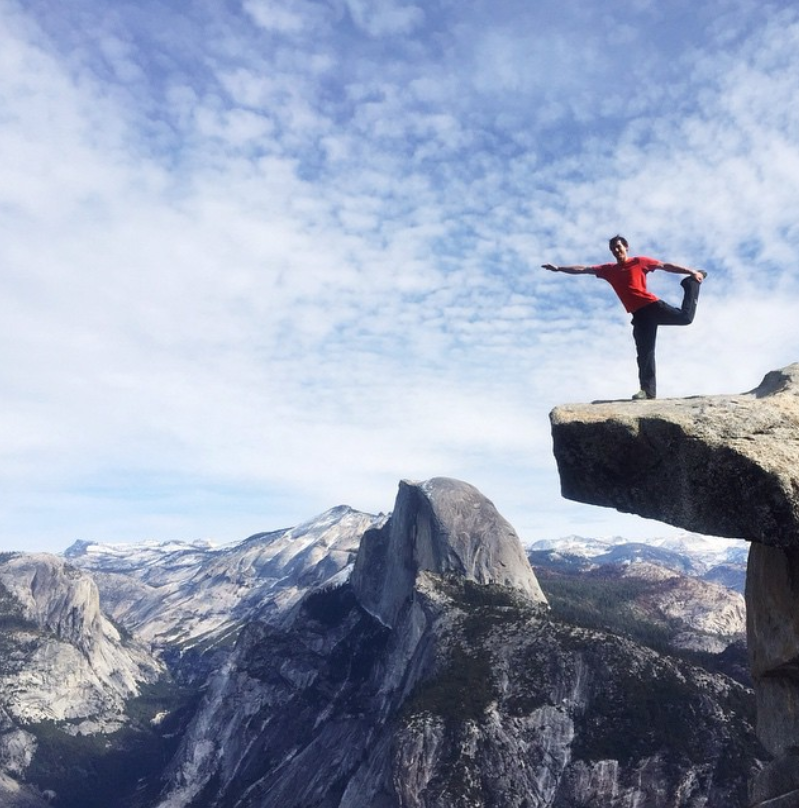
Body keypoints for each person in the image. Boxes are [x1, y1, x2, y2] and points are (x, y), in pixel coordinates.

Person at [542, 235, 706, 400]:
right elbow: (583, 269)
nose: (616, 250)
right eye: (613, 248)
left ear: (626, 247)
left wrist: (691, 271)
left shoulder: (639, 261)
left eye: (618, 247)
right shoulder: (608, 269)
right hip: (638, 315)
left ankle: (690, 284)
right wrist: (559, 268)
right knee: (644, 353)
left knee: (685, 318)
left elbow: (665, 266)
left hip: (652, 306)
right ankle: (647, 391)